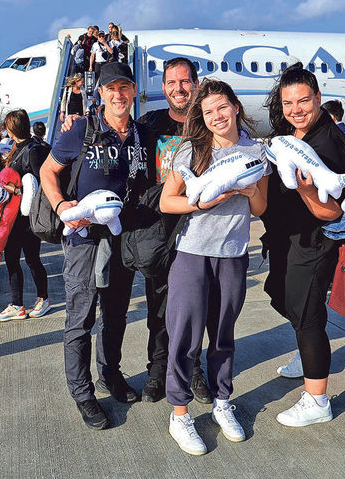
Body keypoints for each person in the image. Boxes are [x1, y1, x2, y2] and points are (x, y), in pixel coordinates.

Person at [159, 79, 269, 455]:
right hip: (191, 253)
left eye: (222, 107)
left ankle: (222, 403)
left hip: (233, 254)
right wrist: (200, 203)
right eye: (208, 112)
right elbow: (167, 201)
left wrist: (250, 191)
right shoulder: (191, 149)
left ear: (236, 107)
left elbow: (261, 208)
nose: (217, 116)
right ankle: (180, 414)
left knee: (223, 335)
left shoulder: (255, 150)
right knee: (184, 337)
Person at [40, 62, 151, 430]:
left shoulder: (143, 134)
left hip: (123, 237)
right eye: (110, 88)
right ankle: (82, 391)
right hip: (84, 240)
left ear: (133, 91)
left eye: (124, 87)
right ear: (100, 93)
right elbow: (47, 170)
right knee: (81, 317)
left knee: (116, 314)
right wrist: (61, 205)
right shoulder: (82, 130)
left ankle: (110, 374)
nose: (118, 94)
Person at [260, 63, 345, 428]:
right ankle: (308, 350)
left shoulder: (327, 143)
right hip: (286, 238)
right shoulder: (292, 133)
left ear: (317, 98)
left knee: (306, 314)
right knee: (281, 296)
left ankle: (317, 400)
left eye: (303, 101)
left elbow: (332, 211)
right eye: (288, 103)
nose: (296, 109)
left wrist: (304, 190)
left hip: (313, 241)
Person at [135, 57, 212, 404]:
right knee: (158, 305)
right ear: (163, 87)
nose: (178, 88)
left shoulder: (208, 122)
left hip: (198, 227)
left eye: (184, 81)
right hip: (159, 229)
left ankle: (193, 369)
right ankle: (158, 370)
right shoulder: (150, 124)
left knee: (194, 305)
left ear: (196, 84)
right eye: (171, 82)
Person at [0, 109, 52, 321]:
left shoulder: (33, 150)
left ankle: (43, 299)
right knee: (12, 259)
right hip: (12, 217)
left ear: (12, 129)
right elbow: (4, 172)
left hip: (27, 217)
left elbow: (41, 184)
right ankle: (17, 305)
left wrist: (15, 190)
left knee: (33, 259)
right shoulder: (18, 148)